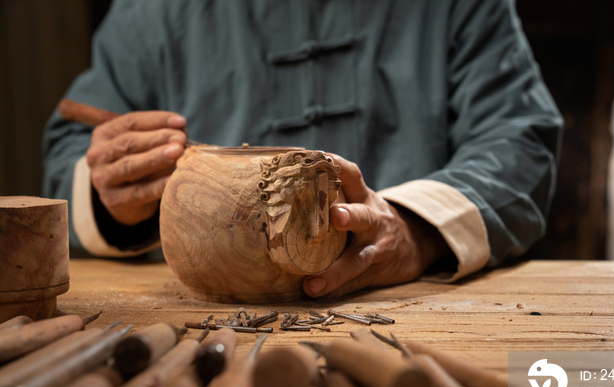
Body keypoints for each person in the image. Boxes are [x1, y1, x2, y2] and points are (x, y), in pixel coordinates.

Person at [43, 0, 563, 298]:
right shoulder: (151, 12)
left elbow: (517, 137)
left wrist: (414, 227)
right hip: (202, 324)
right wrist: (113, 188)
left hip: (415, 310)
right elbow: (71, 151)